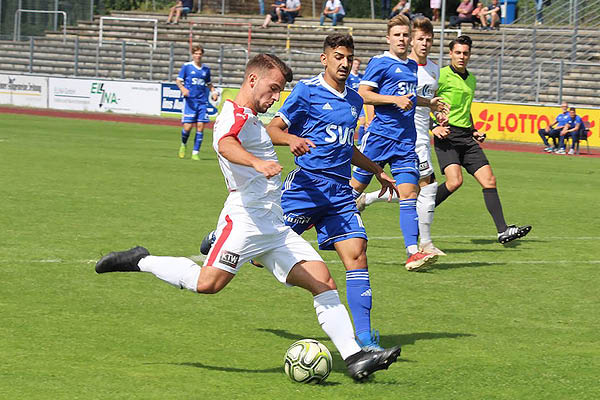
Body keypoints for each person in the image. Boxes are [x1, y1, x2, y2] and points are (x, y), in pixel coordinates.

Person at [94, 53, 402, 381]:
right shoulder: (234, 114)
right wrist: (257, 164)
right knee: (207, 284)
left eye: (279, 92)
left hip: (274, 224)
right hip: (244, 221)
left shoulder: (252, 117)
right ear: (252, 80)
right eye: (272, 89)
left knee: (324, 282)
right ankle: (141, 260)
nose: (274, 98)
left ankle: (355, 358)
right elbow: (225, 144)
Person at [267, 34, 399, 351]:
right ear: (325, 58)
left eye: (349, 58)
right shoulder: (306, 92)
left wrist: (376, 168)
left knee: (357, 255)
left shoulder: (354, 100)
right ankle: (224, 237)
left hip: (340, 193)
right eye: (338, 56)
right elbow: (273, 129)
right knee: (261, 255)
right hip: (306, 186)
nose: (344, 63)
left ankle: (365, 340)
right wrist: (291, 141)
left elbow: (345, 145)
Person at [351, 15, 448, 271]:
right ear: (388, 38)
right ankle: (316, 220)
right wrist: (394, 100)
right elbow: (363, 95)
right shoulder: (381, 62)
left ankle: (412, 252)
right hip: (380, 139)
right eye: (398, 35)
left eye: (406, 35)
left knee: (409, 194)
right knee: (353, 190)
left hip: (406, 143)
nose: (403, 39)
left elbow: (409, 97)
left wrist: (429, 103)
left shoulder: (411, 67)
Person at [433, 35, 531, 244]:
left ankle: (503, 231)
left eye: (465, 53)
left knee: (489, 180)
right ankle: (420, 210)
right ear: (450, 54)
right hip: (447, 135)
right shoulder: (440, 76)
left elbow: (465, 110)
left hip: (466, 137)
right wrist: (434, 126)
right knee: (455, 181)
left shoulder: (472, 79)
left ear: (470, 55)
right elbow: (426, 103)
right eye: (457, 52)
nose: (461, 56)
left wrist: (474, 129)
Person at [176, 45, 218, 160]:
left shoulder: (206, 69)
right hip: (190, 102)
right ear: (193, 55)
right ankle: (183, 144)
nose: (198, 56)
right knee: (187, 128)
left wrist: (214, 92)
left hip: (202, 102)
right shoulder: (187, 67)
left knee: (200, 126)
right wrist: (183, 89)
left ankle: (195, 152)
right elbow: (178, 81)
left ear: (202, 55)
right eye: (196, 53)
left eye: (200, 54)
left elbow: (209, 83)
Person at [346, 58, 370, 145]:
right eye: (355, 64)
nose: (357, 66)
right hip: (351, 102)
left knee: (363, 121)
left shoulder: (361, 77)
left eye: (358, 65)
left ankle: (360, 142)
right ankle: (349, 140)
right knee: (350, 121)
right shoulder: (348, 77)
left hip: (360, 102)